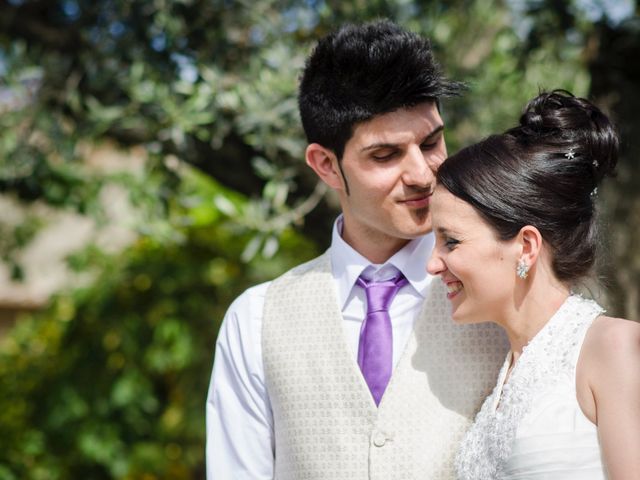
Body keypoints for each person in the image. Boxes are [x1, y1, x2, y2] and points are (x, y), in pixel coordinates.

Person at [206, 20, 508, 479]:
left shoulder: (506, 291)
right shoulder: (254, 322)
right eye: (385, 156)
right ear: (325, 165)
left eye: (431, 143)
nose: (422, 175)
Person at [427, 89, 640, 479]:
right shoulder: (501, 377)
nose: (432, 264)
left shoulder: (615, 347)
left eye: (451, 241)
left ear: (526, 246)